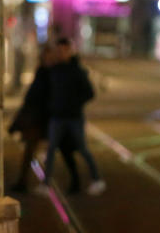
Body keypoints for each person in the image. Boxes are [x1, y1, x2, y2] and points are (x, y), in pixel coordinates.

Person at [8, 45, 80, 193]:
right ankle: (25, 182)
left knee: (64, 150)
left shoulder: (56, 72)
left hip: (52, 118)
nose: (46, 59)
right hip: (39, 119)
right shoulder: (43, 71)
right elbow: (33, 96)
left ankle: (73, 181)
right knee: (31, 149)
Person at [40, 37, 106, 195]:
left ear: (70, 50)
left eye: (64, 50)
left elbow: (90, 93)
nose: (61, 53)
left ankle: (97, 179)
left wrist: (73, 103)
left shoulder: (77, 70)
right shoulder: (54, 70)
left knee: (82, 149)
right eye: (59, 51)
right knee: (51, 149)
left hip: (73, 117)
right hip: (57, 116)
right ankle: (46, 183)